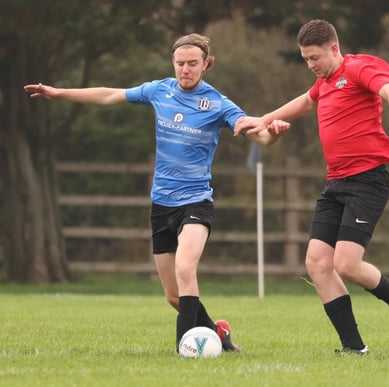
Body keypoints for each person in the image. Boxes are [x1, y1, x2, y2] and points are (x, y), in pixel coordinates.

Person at [24, 33, 290, 353]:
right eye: (180, 63)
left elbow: (258, 136)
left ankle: (184, 347)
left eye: (193, 64)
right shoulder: (159, 90)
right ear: (173, 63)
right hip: (161, 204)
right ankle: (218, 336)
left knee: (185, 268)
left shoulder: (217, 103)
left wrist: (272, 135)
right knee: (174, 296)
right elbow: (110, 95)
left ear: (206, 65)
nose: (185, 70)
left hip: (195, 201)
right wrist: (59, 93)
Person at [237, 19, 389, 354]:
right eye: (305, 59)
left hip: (367, 181)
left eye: (315, 58)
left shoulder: (359, 68)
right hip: (335, 182)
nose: (311, 65)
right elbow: (305, 102)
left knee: (346, 265)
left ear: (334, 49)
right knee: (318, 263)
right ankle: (354, 348)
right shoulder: (325, 82)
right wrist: (262, 120)